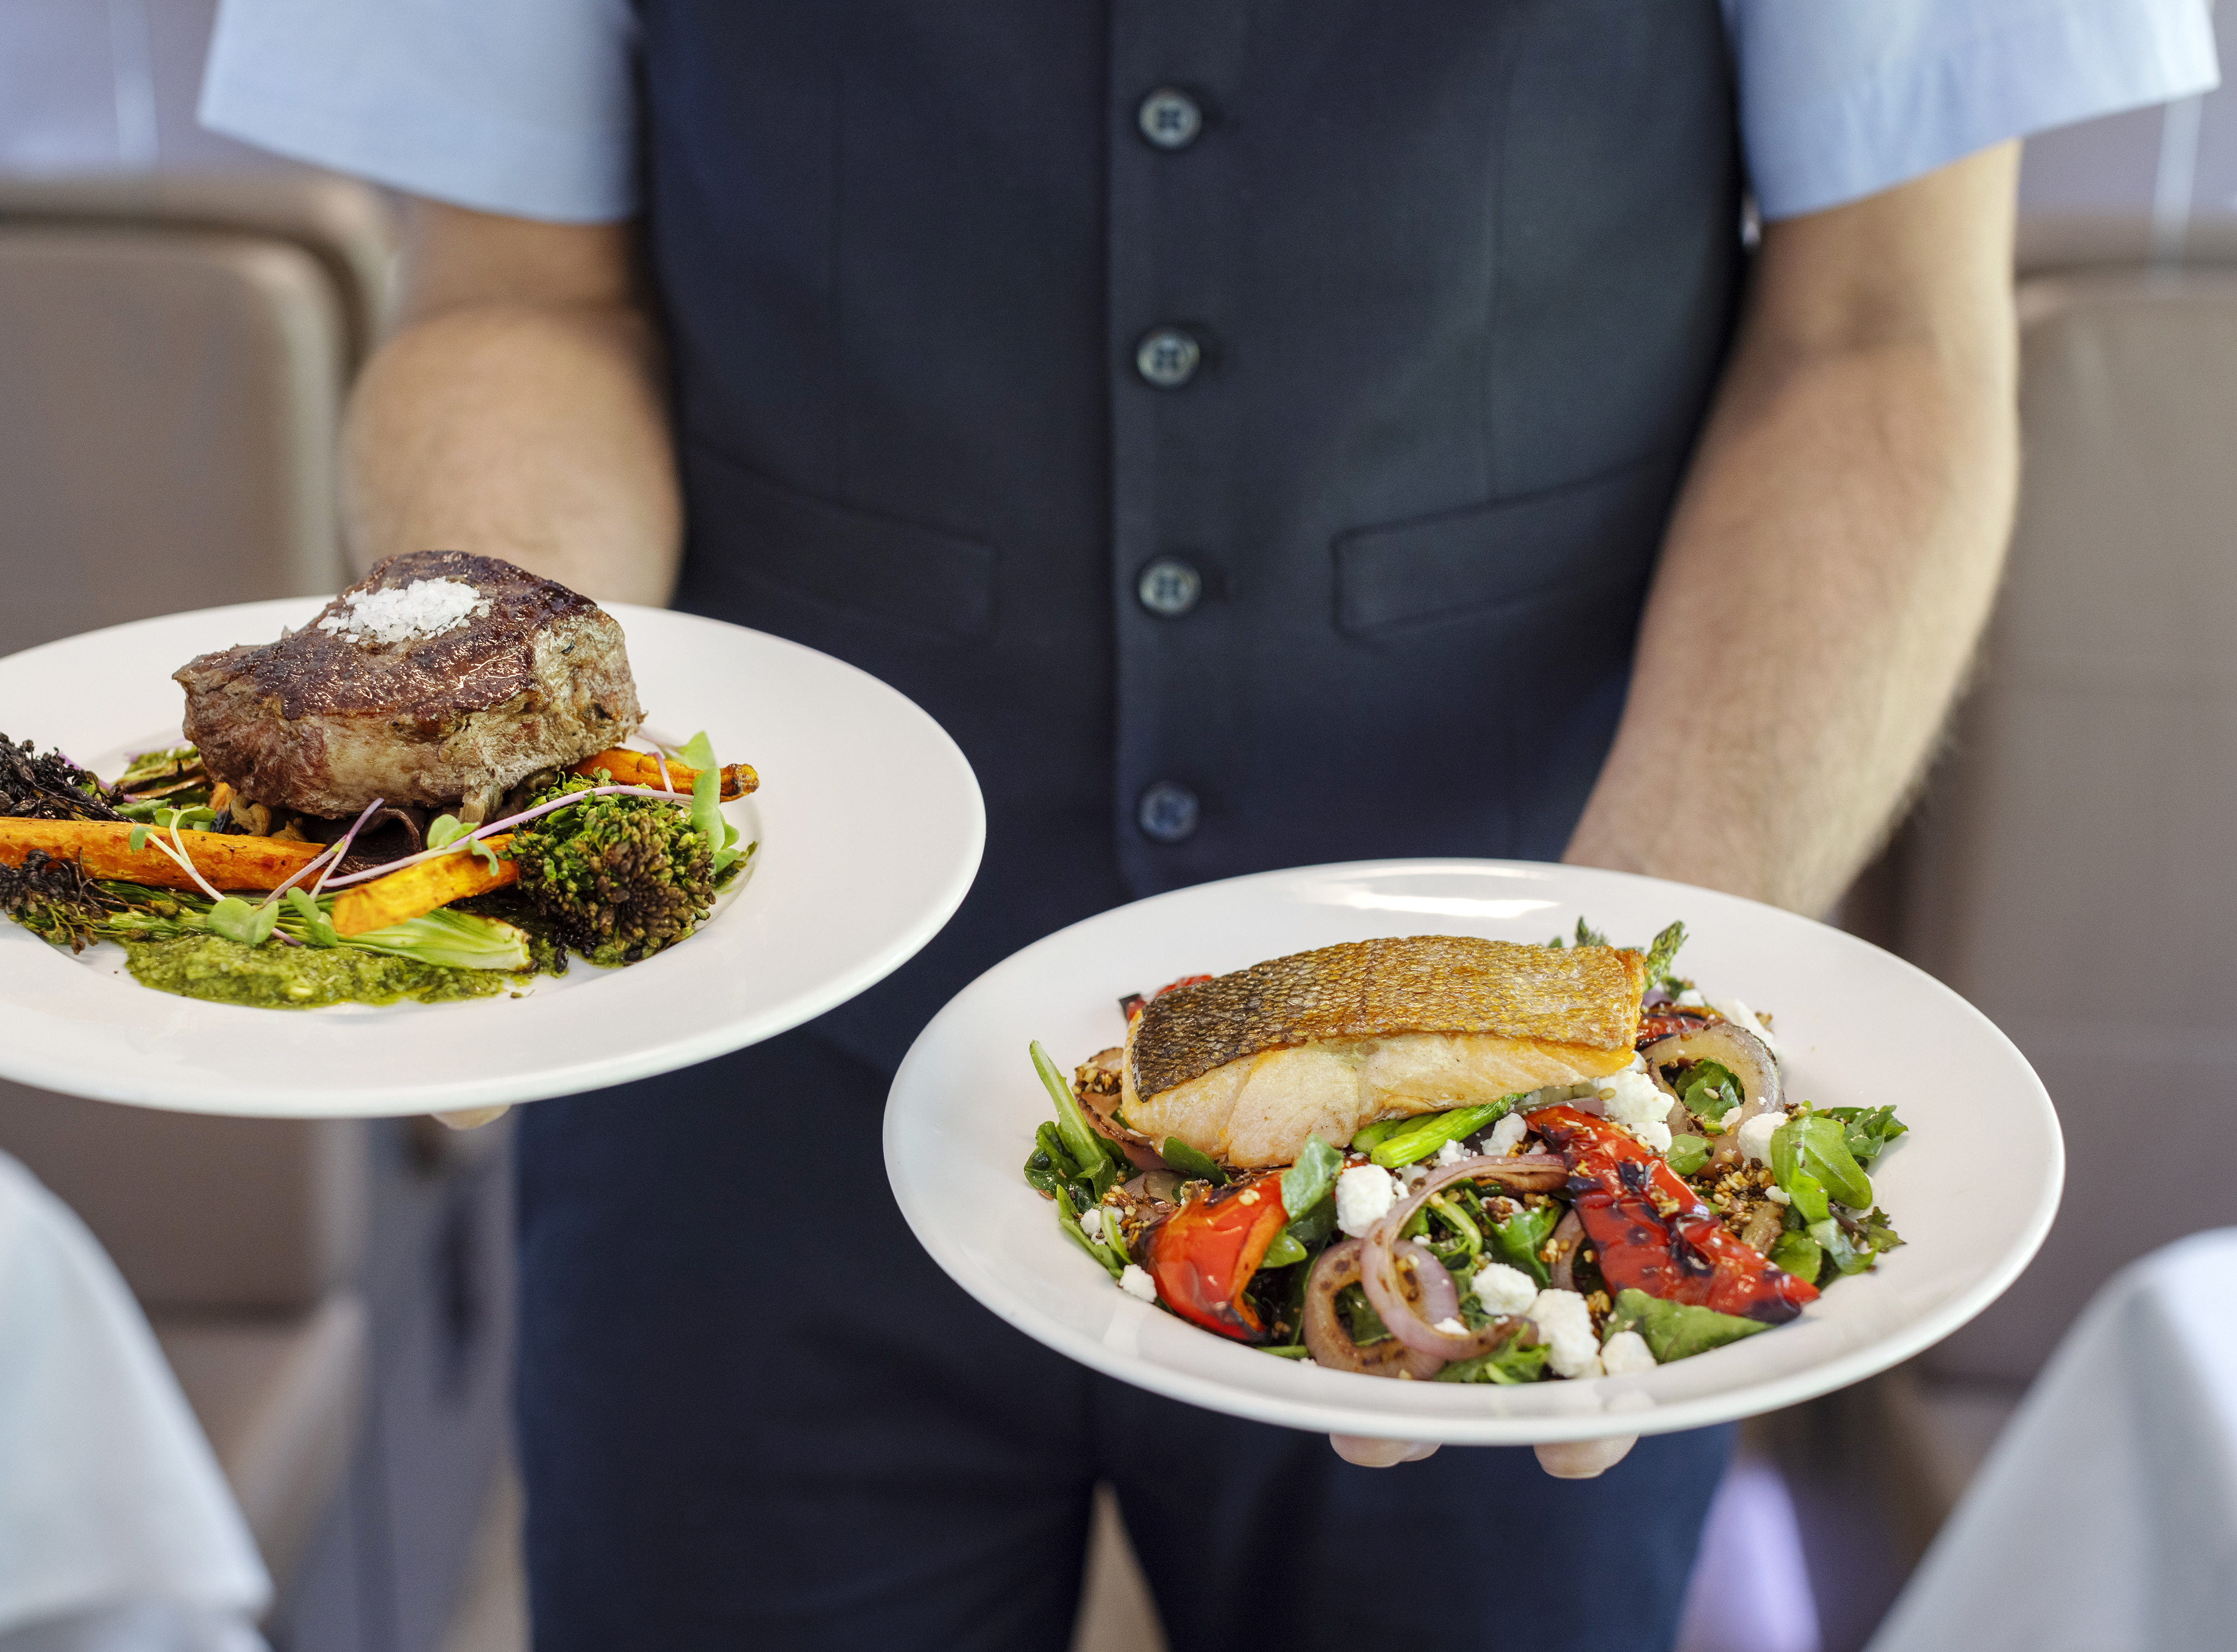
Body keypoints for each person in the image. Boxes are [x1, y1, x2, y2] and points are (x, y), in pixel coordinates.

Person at [199, 3, 2216, 1646]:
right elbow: (511, 290)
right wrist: (533, 782)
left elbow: (1880, 326)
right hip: (741, 1073)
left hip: (1532, 1027)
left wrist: (1586, 1074)